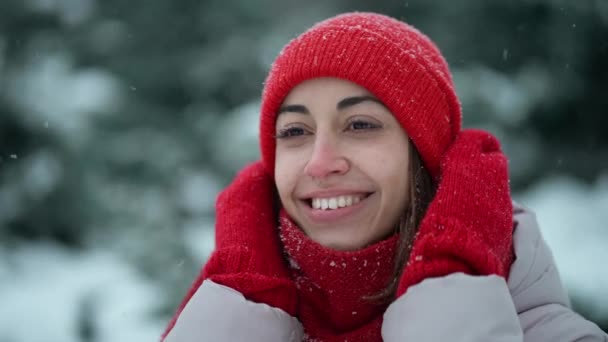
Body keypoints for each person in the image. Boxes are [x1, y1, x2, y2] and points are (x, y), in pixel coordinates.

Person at [161, 12, 607, 341]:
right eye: (295, 132)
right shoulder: (219, 313)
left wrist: (449, 281)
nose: (320, 162)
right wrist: (246, 302)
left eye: (360, 125)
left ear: (423, 153)